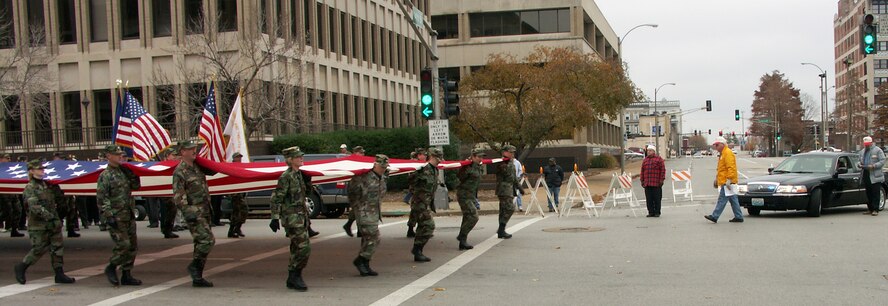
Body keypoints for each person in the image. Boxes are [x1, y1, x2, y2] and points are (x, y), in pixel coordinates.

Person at [14, 160, 76, 285]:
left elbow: (56, 201)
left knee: (57, 248)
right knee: (39, 249)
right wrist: (51, 217)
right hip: (38, 224)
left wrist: (59, 213)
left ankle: (59, 273)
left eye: (43, 168)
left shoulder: (48, 185)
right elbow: (34, 207)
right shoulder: (30, 188)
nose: (42, 170)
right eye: (39, 168)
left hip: (53, 223)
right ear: (31, 171)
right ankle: (21, 266)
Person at [97, 145, 143, 286]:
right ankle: (111, 267)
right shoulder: (106, 175)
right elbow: (102, 197)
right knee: (123, 245)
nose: (120, 157)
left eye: (120, 154)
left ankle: (126, 274)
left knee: (133, 246)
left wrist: (132, 173)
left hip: (128, 214)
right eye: (116, 154)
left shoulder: (123, 172)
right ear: (109, 156)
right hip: (116, 216)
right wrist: (108, 215)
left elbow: (136, 186)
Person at [172, 140, 215, 287]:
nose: (194, 151)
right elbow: (179, 195)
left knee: (200, 243)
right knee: (207, 240)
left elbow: (214, 170)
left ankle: (198, 276)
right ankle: (194, 267)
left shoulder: (197, 167)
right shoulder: (180, 171)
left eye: (194, 149)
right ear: (183, 152)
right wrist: (187, 211)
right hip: (194, 213)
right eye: (191, 149)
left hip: (205, 210)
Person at [269, 146, 312, 291]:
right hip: (292, 218)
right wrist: (274, 217)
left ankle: (293, 277)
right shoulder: (286, 176)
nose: (301, 158)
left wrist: (308, 182)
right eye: (298, 157)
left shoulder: (299, 174)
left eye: (301, 156)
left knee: (296, 248)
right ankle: (295, 275)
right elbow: (276, 198)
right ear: (291, 160)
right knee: (303, 248)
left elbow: (305, 195)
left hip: (301, 217)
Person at [349, 155, 388, 276]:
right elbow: (352, 193)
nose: (383, 169)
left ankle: (365, 264)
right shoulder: (363, 178)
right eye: (381, 166)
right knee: (374, 238)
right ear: (375, 164)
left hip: (374, 214)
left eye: (385, 167)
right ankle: (361, 260)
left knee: (368, 240)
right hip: (364, 213)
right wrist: (357, 208)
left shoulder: (381, 178)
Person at [410, 148, 442, 262]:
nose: (440, 160)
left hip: (426, 203)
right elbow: (411, 181)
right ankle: (417, 249)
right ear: (433, 156)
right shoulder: (422, 169)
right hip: (419, 203)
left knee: (422, 226)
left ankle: (417, 251)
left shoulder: (435, 170)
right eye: (438, 157)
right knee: (429, 225)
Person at [704, 137, 743, 223]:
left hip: (728, 182)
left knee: (722, 199)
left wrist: (729, 179)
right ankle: (739, 216)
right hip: (727, 181)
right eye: (715, 145)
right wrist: (717, 180)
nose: (716, 147)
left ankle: (715, 216)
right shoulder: (723, 153)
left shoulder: (727, 153)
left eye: (717, 145)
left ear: (722, 144)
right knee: (733, 199)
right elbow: (722, 169)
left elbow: (731, 168)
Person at [456, 149, 485, 250]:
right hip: (464, 194)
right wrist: (464, 167)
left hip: (471, 195)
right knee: (473, 216)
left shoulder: (479, 167)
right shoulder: (467, 166)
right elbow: (460, 177)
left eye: (482, 157)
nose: (481, 159)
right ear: (473, 157)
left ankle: (462, 241)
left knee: (467, 217)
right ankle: (462, 237)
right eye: (479, 157)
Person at [343, 145, 368, 237]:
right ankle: (359, 230)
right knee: (357, 208)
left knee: (358, 208)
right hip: (354, 187)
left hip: (361, 187)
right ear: (355, 153)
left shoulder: (363, 162)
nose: (363, 154)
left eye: (363, 152)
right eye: (361, 152)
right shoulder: (351, 162)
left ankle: (351, 226)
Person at [496, 145, 520, 238]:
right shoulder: (502, 163)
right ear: (504, 152)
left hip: (509, 189)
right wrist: (505, 162)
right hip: (503, 189)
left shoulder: (511, 163)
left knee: (503, 210)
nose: (512, 154)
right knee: (509, 208)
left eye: (513, 152)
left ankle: (501, 230)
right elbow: (501, 172)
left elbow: (514, 178)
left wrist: (519, 187)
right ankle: (501, 229)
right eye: (510, 152)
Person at [858, 136, 885, 216]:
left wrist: (874, 165)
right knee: (868, 192)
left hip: (875, 174)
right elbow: (859, 160)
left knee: (875, 192)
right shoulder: (862, 151)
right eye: (865, 144)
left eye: (868, 144)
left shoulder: (877, 150)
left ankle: (875, 209)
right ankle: (870, 208)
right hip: (866, 173)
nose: (866, 145)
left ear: (871, 143)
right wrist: (859, 164)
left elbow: (882, 160)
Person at [1, 153, 24, 237]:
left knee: (18, 210)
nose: (9, 160)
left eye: (9, 158)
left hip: (13, 194)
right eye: (7, 158)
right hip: (3, 194)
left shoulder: (11, 168)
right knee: (6, 212)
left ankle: (14, 229)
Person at [405, 148, 427, 237]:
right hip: (416, 192)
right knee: (415, 211)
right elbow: (410, 178)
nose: (425, 156)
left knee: (419, 211)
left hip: (423, 192)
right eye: (423, 154)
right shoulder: (414, 165)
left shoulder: (424, 165)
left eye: (425, 155)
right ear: (419, 155)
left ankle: (417, 230)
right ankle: (411, 229)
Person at [639, 146, 666, 217]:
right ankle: (651, 212)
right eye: (648, 151)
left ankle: (657, 212)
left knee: (657, 198)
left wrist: (661, 180)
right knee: (649, 199)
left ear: (654, 151)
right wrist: (642, 180)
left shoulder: (659, 159)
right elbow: (642, 171)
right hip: (647, 183)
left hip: (656, 183)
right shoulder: (645, 160)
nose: (649, 152)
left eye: (650, 151)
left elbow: (663, 170)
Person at [160, 148, 180, 239]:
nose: (175, 157)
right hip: (163, 190)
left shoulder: (176, 165)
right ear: (167, 156)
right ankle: (166, 229)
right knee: (168, 209)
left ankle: (168, 229)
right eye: (173, 155)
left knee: (172, 209)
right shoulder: (161, 165)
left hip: (172, 190)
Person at [228, 152, 248, 238]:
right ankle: (233, 230)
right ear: (234, 158)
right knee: (237, 212)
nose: (239, 159)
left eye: (240, 157)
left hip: (241, 193)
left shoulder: (241, 166)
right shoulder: (230, 167)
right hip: (235, 194)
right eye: (237, 157)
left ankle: (237, 229)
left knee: (243, 211)